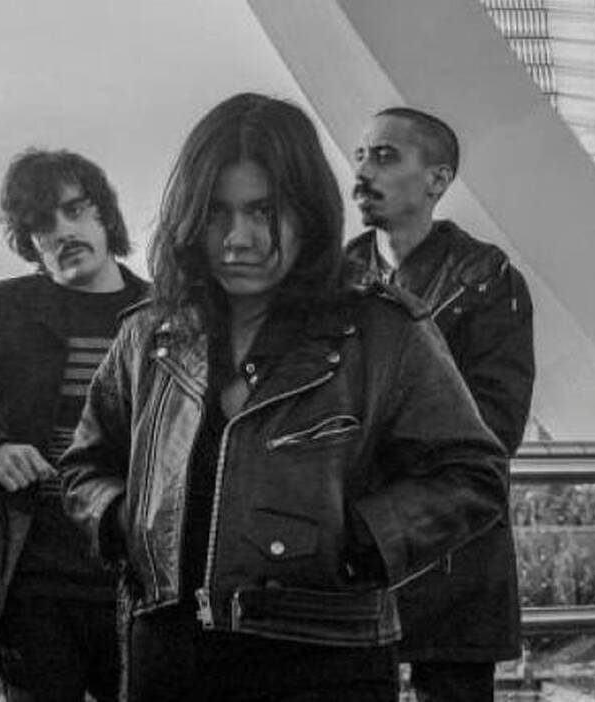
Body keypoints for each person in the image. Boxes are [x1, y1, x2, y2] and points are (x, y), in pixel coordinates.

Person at [61, 93, 509, 702]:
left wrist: (360, 541)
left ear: (309, 212)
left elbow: (473, 474)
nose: (237, 239)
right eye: (215, 213)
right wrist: (126, 523)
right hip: (166, 657)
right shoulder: (149, 334)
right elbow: (86, 467)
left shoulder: (382, 331)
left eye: (263, 211)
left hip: (325, 658)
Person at [0, 149, 147, 701]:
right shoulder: (3, 308)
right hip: (35, 580)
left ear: (105, 214)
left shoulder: (164, 314)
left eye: (75, 210)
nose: (62, 232)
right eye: (41, 224)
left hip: (139, 579)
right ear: (28, 241)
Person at [346, 106, 535, 701]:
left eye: (385, 156)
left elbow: (495, 426)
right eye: (360, 155)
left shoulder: (487, 280)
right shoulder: (335, 279)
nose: (363, 171)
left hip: (452, 545)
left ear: (437, 179)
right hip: (356, 547)